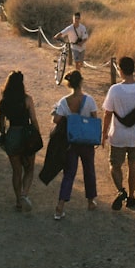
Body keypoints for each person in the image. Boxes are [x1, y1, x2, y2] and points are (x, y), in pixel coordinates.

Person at [102, 56, 135, 210]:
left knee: (115, 165)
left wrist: (104, 134)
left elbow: (108, 113)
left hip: (118, 135)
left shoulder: (115, 90)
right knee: (134, 165)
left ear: (120, 70)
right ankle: (131, 196)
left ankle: (121, 191)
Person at [50, 70, 98, 220]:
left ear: (68, 84)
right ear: (81, 82)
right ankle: (91, 201)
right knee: (89, 170)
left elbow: (56, 120)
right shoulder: (89, 100)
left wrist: (56, 113)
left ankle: (60, 205)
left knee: (69, 174)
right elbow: (94, 119)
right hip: (86, 142)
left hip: (71, 141)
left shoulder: (64, 101)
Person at [0, 70, 43, 212]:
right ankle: (24, 194)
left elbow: (1, 125)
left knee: (16, 171)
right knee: (29, 168)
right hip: (26, 135)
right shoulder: (27, 99)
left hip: (12, 135)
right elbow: (34, 119)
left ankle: (18, 201)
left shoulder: (4, 102)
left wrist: (4, 137)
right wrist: (37, 134)